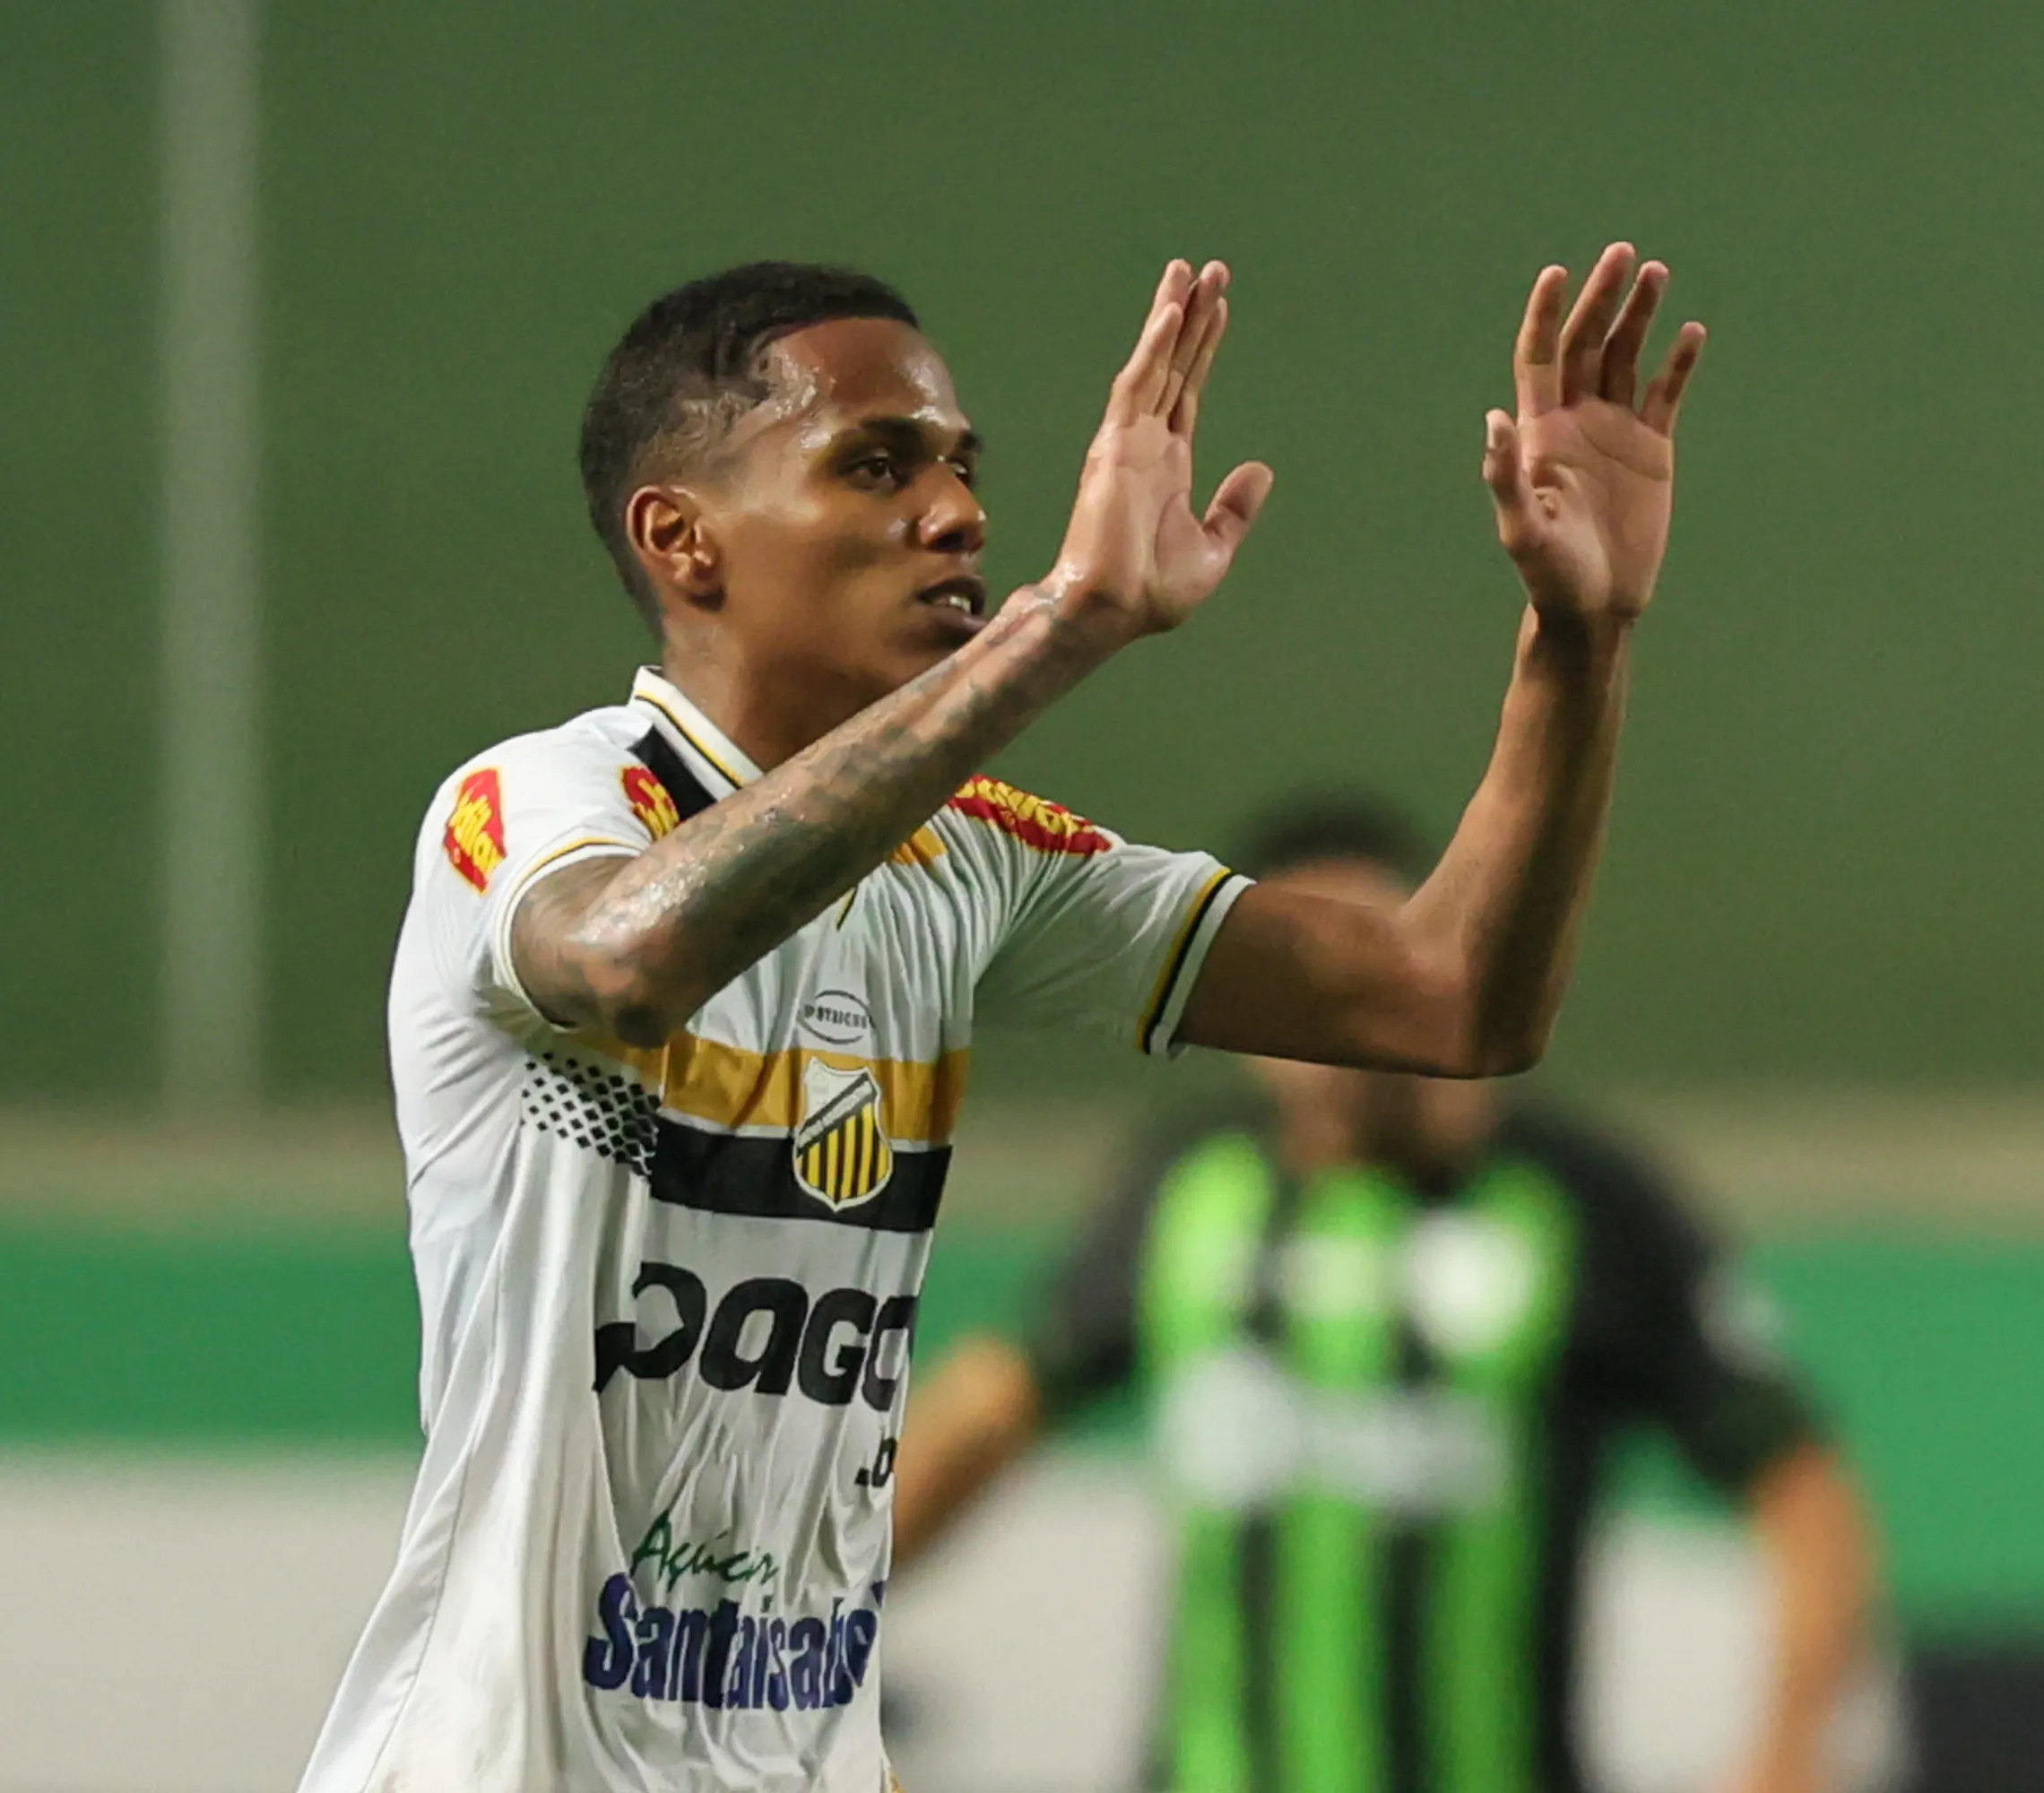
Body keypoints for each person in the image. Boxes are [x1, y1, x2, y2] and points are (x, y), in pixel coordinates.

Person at [299, 242, 1705, 1793]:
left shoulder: (968, 864)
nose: (958, 513)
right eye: (877, 465)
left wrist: (1580, 642)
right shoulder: (543, 803)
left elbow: (1453, 1000)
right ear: (684, 541)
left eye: (964, 469)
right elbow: (629, 959)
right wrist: (1063, 627)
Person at [889, 795, 1878, 1793]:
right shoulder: (1187, 1186)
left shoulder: (1581, 1198)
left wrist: (1789, 1748)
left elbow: (1798, 1480)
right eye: (1292, 976)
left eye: (1358, 960)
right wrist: (814, 1616)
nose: (1324, 1018)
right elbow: (990, 1408)